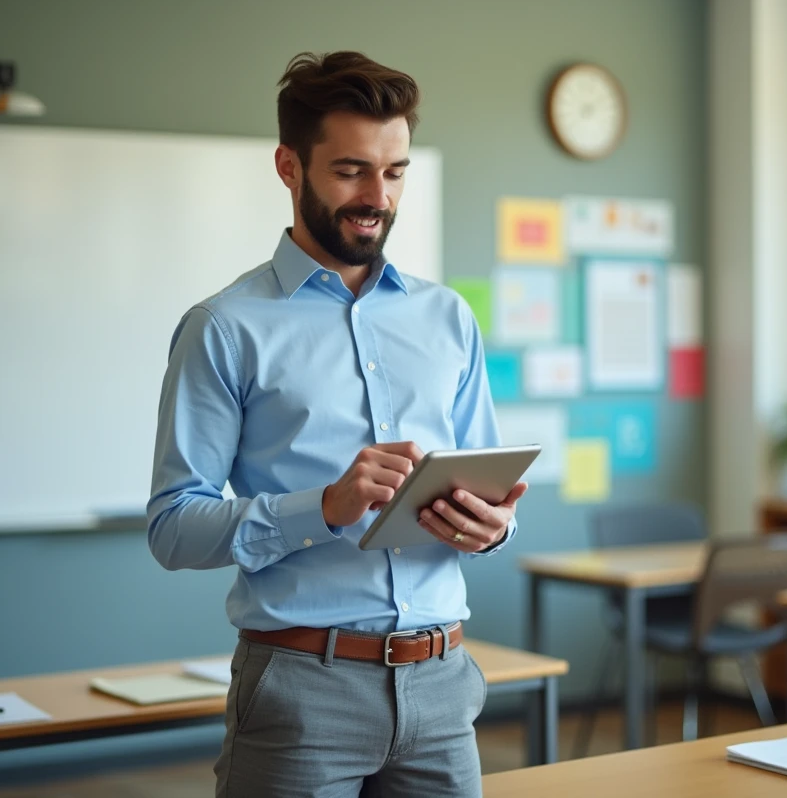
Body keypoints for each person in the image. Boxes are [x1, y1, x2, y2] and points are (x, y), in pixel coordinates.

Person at [147, 50, 528, 798]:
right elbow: (172, 526)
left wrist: (494, 526)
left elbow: (494, 491)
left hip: (443, 684)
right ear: (290, 167)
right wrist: (323, 508)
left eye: (394, 173)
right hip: (301, 691)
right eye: (351, 170)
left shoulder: (447, 317)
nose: (376, 197)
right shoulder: (224, 327)